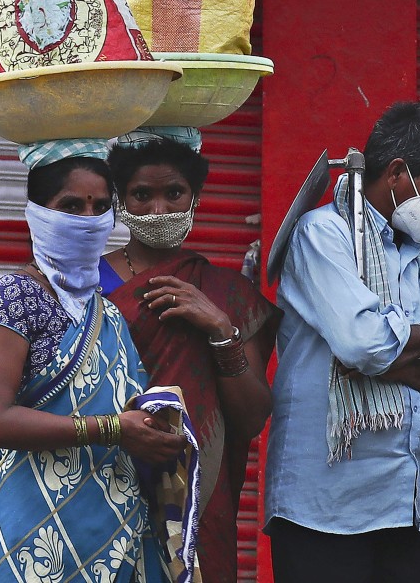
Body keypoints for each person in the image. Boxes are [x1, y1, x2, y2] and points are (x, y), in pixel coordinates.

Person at [264, 101, 420, 583]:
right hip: (326, 505)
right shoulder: (324, 234)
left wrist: (414, 354)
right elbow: (363, 344)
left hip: (409, 504)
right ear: (398, 173)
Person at [0, 139, 202, 583]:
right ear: (37, 211)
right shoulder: (16, 296)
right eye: (71, 205)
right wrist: (114, 429)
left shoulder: (106, 311)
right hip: (34, 542)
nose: (88, 220)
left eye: (100, 207)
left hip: (115, 535)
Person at [100, 130, 280, 583]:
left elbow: (252, 417)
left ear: (195, 198)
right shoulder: (83, 285)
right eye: (142, 195)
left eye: (174, 193)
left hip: (197, 499)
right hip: (103, 479)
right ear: (120, 200)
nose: (159, 209)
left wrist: (221, 330)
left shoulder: (227, 296)